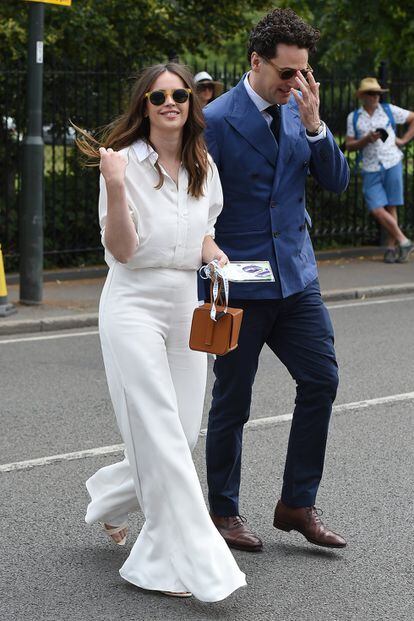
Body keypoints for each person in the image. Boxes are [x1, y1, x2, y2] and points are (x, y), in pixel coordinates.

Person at [74, 62, 246, 602]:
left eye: (180, 95)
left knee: (182, 431)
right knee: (163, 436)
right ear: (144, 106)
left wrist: (214, 254)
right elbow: (122, 250)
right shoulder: (121, 164)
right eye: (158, 96)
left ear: (192, 104)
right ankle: (173, 563)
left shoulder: (204, 164)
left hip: (186, 305)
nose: (170, 102)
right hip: (132, 304)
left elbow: (204, 232)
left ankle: (108, 494)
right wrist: (117, 185)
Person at [202, 8, 349, 553]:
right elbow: (198, 206)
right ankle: (223, 512)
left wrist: (316, 127)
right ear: (256, 62)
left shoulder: (299, 111)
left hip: (297, 280)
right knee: (232, 402)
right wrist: (208, 273)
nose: (297, 83)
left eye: (303, 72)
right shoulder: (216, 119)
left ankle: (296, 503)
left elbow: (335, 182)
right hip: (237, 285)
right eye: (287, 73)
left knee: (322, 381)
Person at [345, 77, 414, 263]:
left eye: (377, 93)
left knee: (391, 205)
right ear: (363, 96)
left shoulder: (389, 110)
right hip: (370, 166)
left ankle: (391, 249)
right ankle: (404, 240)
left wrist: (403, 140)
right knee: (376, 207)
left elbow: (413, 118)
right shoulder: (354, 117)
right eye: (371, 93)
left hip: (392, 162)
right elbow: (349, 145)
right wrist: (366, 139)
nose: (375, 96)